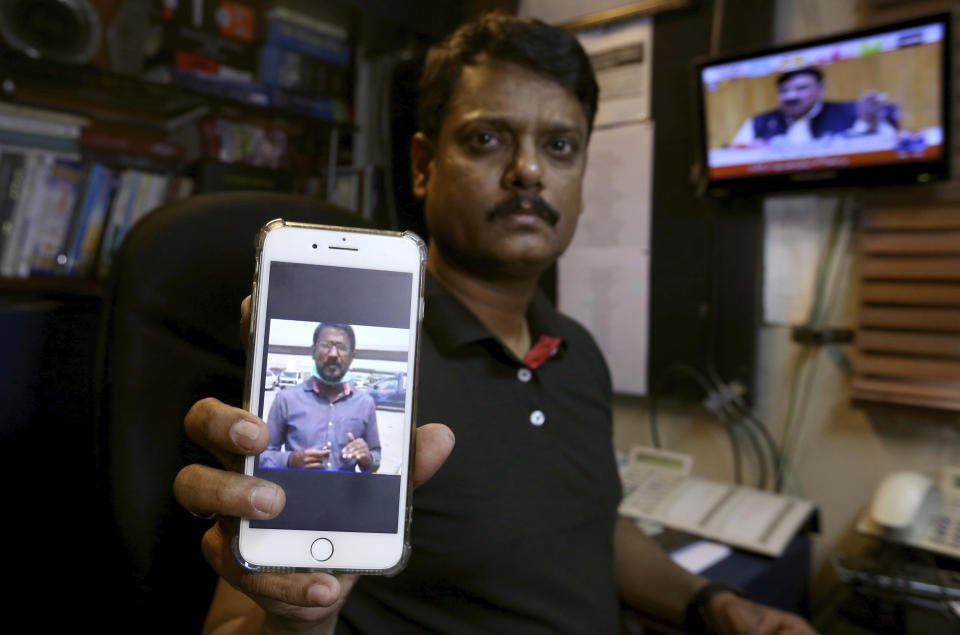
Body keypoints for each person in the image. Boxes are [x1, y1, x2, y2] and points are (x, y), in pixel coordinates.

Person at [174, 13, 817, 634]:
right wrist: (299, 617)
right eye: (487, 140)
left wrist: (713, 605)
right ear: (424, 166)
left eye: (560, 146)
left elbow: (591, 529)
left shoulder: (575, 350)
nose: (529, 171)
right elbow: (236, 621)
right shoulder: (369, 363)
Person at [260, 323, 380, 473]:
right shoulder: (285, 399)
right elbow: (261, 455)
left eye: (342, 347)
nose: (333, 354)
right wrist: (289, 460)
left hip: (345, 494)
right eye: (325, 345)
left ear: (352, 357)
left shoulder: (365, 403)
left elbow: (375, 459)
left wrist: (367, 458)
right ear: (313, 351)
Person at [730, 66, 896, 146]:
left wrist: (870, 125)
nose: (791, 96)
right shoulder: (759, 122)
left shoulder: (853, 111)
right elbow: (734, 156)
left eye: (801, 88)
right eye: (784, 90)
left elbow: (892, 145)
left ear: (821, 89)